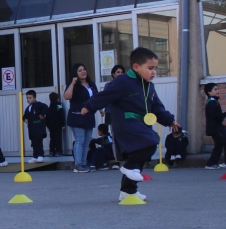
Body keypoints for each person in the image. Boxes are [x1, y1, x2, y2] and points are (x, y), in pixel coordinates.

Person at [82, 47, 180, 202]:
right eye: (150, 68)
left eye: (155, 68)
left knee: (140, 157)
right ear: (136, 67)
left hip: (140, 124)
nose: (154, 72)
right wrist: (89, 106)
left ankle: (128, 191)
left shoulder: (149, 86)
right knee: (150, 142)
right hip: (126, 123)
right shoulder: (123, 82)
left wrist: (169, 120)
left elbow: (156, 106)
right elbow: (105, 95)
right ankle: (128, 167)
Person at [64, 63, 99, 173]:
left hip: (89, 116)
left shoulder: (91, 84)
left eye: (84, 69)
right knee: (79, 140)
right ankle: (78, 164)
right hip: (76, 116)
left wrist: (101, 109)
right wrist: (73, 84)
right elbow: (67, 96)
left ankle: (83, 163)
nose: (83, 72)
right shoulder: (73, 85)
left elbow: (97, 98)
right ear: (75, 73)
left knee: (86, 141)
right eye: (80, 70)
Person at [204, 83, 226, 169]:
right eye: (215, 89)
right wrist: (222, 120)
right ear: (209, 92)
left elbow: (215, 114)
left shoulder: (213, 101)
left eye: (218, 89)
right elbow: (214, 114)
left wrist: (223, 115)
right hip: (217, 128)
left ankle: (211, 163)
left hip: (215, 128)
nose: (218, 91)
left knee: (219, 145)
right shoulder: (212, 102)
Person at [23, 90, 47, 163]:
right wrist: (25, 118)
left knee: (38, 142)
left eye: (30, 98)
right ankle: (35, 156)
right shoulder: (28, 108)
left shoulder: (38, 104)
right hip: (32, 128)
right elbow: (25, 115)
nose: (28, 99)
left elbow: (45, 107)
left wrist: (42, 114)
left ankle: (40, 155)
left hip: (38, 128)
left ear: (34, 98)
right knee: (33, 143)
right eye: (27, 98)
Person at [46, 92, 65, 157]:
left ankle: (51, 151)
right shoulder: (59, 105)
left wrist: (48, 125)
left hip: (51, 125)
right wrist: (63, 124)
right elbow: (61, 115)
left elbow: (47, 117)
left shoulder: (49, 107)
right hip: (58, 125)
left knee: (52, 138)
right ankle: (58, 151)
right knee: (58, 138)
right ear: (58, 98)